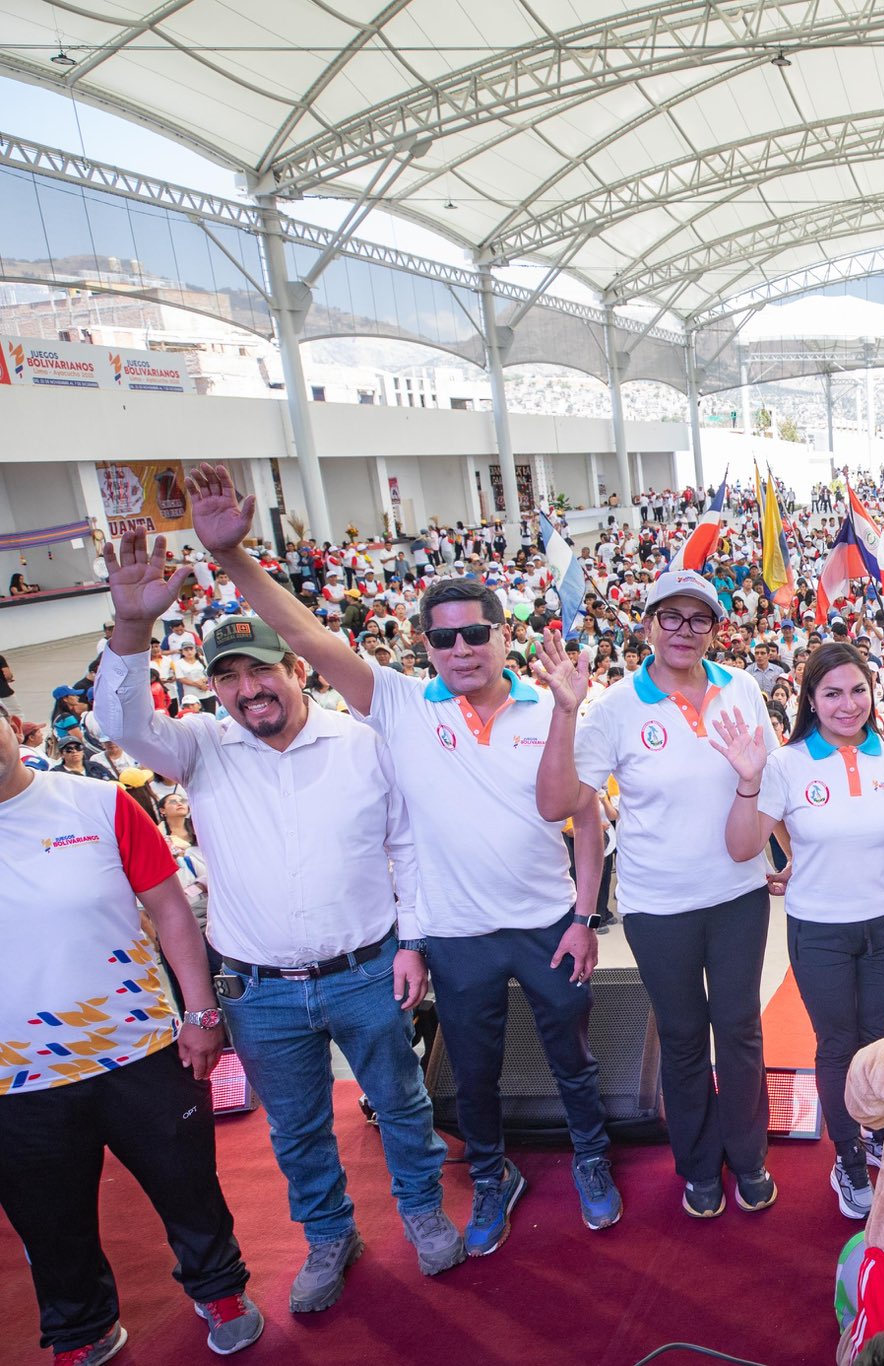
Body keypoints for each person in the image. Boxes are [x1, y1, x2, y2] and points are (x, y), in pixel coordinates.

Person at [181, 463, 620, 1257]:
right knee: (474, 1074)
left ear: (503, 635)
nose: (461, 650)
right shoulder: (400, 704)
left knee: (573, 1056)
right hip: (455, 936)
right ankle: (491, 1176)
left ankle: (592, 1156)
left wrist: (586, 918)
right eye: (444, 638)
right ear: (426, 646)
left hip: (548, 923)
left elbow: (582, 818)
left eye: (476, 634)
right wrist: (235, 559)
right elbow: (309, 637)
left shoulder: (550, 706)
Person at [94, 531, 466, 1314]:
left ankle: (425, 1215)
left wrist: (412, 943)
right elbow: (117, 722)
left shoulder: (364, 744)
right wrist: (131, 629)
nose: (246, 688)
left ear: (295, 669)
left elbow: (411, 849)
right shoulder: (197, 749)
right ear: (215, 692)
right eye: (227, 677)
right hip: (258, 992)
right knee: (296, 1131)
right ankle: (330, 1237)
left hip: (368, 972)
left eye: (260, 667)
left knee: (401, 1105)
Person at [0, 741, 264, 1361]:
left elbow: (172, 911)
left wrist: (201, 1013)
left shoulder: (97, 802)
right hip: (15, 1078)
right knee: (48, 1217)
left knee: (187, 1186)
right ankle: (81, 1327)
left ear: (10, 726)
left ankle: (219, 1289)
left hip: (138, 1049)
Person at [533, 568, 780, 1219]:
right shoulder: (617, 707)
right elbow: (560, 802)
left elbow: (769, 779)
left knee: (739, 1027)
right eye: (670, 616)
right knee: (681, 1034)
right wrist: (565, 711)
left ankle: (748, 1156)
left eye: (698, 618)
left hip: (738, 895)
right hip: (658, 907)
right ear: (647, 625)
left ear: (716, 629)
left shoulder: (742, 688)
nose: (683, 630)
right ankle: (698, 1166)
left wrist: (784, 856)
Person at [725, 641, 884, 1220]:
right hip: (820, 931)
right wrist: (748, 779)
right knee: (838, 1046)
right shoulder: (786, 765)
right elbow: (743, 846)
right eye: (833, 693)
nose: (849, 705)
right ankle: (846, 1156)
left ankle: (872, 1128)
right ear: (812, 701)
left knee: (877, 1034)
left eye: (859, 690)